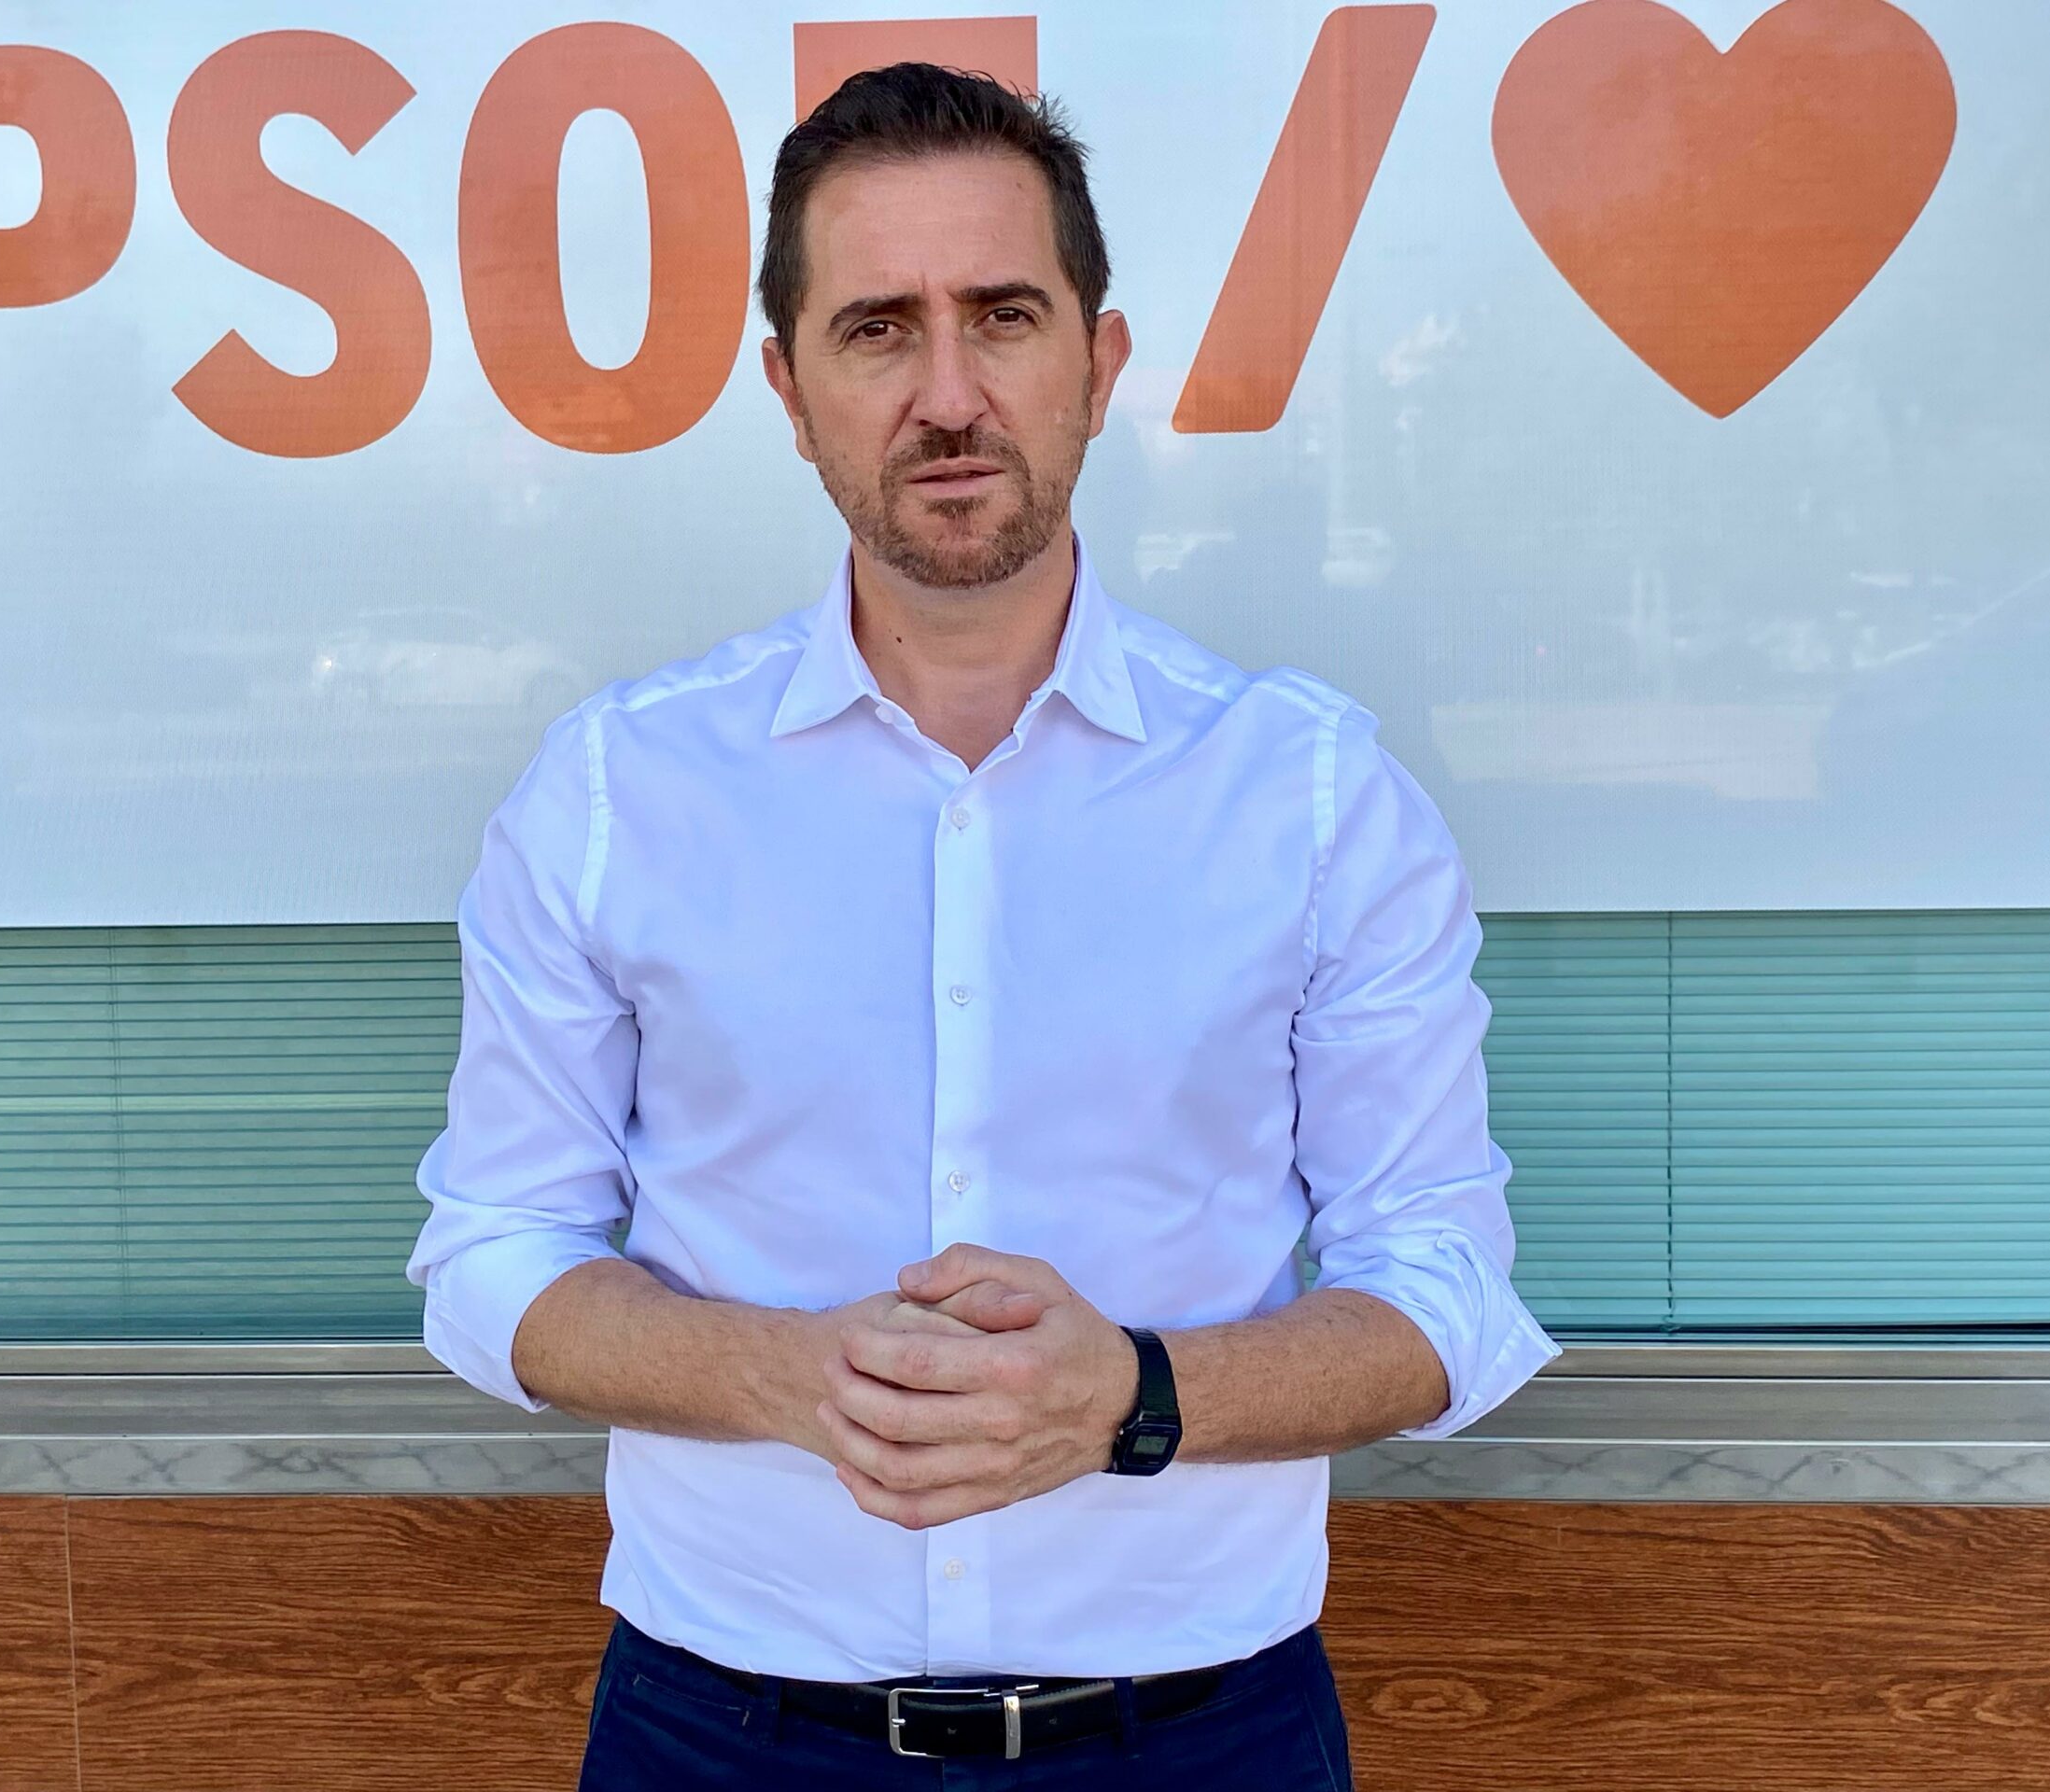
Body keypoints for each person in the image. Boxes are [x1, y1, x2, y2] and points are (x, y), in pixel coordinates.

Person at [406, 62, 1561, 1790]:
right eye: (878, 330)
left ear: (1098, 362)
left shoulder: (1314, 797)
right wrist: (783, 1376)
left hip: (1199, 1742)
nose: (948, 395)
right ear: (790, 390)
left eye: (1004, 317)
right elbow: (494, 1253)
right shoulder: (615, 791)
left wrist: (1134, 1398)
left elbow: (1445, 1290)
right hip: (724, 1738)